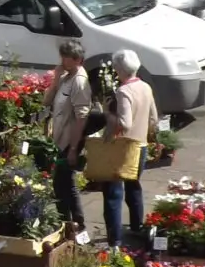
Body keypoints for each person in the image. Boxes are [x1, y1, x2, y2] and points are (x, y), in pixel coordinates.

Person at [100, 49, 159, 245]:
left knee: (113, 194)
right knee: (134, 187)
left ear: (119, 69)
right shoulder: (146, 87)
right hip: (140, 146)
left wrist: (108, 113)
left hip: (124, 148)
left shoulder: (124, 91)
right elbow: (154, 119)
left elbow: (124, 122)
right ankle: (136, 227)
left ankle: (114, 239)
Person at [42, 39, 92, 242]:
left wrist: (74, 148)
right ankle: (70, 224)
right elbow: (46, 101)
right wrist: (55, 79)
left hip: (69, 140)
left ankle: (75, 224)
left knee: (64, 183)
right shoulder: (65, 77)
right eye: (61, 56)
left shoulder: (79, 81)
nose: (62, 60)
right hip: (59, 139)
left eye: (66, 57)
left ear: (77, 59)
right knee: (62, 183)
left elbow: (82, 116)